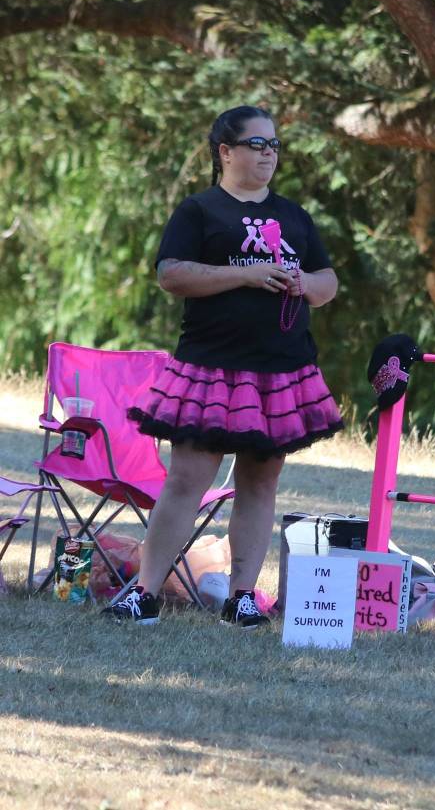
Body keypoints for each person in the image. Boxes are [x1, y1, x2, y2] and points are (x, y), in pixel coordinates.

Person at [103, 105, 344, 627]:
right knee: (186, 480)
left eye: (275, 145)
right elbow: (172, 274)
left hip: (281, 370)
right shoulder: (200, 211)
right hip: (209, 367)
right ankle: (143, 592)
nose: (269, 154)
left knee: (261, 482)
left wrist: (302, 283)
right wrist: (247, 275)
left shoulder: (295, 216)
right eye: (258, 144)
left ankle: (241, 597)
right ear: (226, 151)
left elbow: (328, 284)